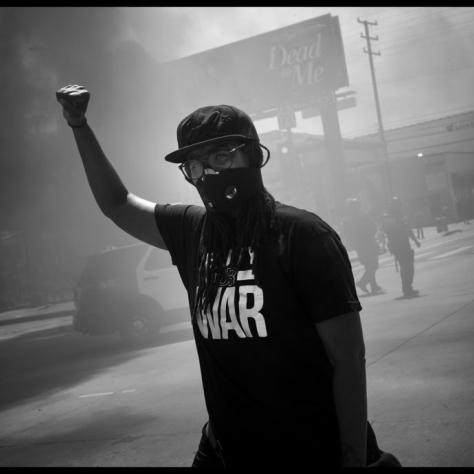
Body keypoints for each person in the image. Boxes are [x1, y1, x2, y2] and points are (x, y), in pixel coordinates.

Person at [56, 84, 401, 468]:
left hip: (308, 448)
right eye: (196, 165)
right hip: (225, 449)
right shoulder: (192, 231)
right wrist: (79, 125)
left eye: (221, 156)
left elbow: (348, 358)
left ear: (253, 156)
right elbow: (117, 204)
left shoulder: (302, 235)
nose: (209, 173)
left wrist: (352, 458)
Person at [342, 198, 383, 295]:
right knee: (373, 265)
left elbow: (348, 234)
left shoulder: (349, 219)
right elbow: (373, 227)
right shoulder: (362, 216)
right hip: (368, 243)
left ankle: (374, 285)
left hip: (359, 246)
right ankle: (363, 282)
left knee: (369, 265)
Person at [383, 197, 421, 298]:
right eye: (397, 205)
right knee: (405, 267)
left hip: (404, 244)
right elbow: (389, 232)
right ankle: (406, 288)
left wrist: (415, 240)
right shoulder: (389, 217)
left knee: (408, 267)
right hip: (398, 246)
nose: (399, 207)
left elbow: (407, 229)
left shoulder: (400, 216)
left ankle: (408, 286)